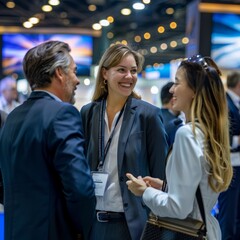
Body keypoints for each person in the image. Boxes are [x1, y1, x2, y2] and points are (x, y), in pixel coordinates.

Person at [126, 55, 233, 240]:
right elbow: (197, 191)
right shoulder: (209, 132)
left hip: (185, 233)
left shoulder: (187, 134)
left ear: (194, 90)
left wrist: (144, 192)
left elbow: (178, 208)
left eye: (177, 83)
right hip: (207, 231)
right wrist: (167, 187)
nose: (172, 89)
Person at [0, 40, 96, 240]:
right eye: (74, 71)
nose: (77, 80)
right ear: (60, 73)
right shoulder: (63, 114)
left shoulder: (12, 118)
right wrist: (82, 230)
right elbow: (79, 188)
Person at [80, 43, 169, 240]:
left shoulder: (148, 115)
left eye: (134, 71)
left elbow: (161, 175)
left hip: (133, 226)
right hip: (93, 224)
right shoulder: (89, 113)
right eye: (121, 70)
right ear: (105, 73)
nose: (129, 77)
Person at [218, 72, 240, 240]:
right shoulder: (226, 103)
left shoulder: (234, 102)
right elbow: (223, 135)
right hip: (230, 164)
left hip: (236, 164)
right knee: (228, 210)